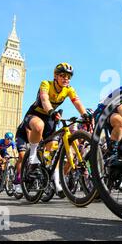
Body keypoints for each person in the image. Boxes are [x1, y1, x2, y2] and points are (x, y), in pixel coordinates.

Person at [14, 63, 89, 194]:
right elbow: (44, 99)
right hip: (35, 114)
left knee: (54, 149)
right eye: (63, 75)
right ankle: (32, 158)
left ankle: (55, 178)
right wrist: (51, 111)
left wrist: (85, 115)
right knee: (38, 126)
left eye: (69, 76)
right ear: (55, 76)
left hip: (50, 118)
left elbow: (77, 101)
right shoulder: (46, 84)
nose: (66, 78)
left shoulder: (69, 89)